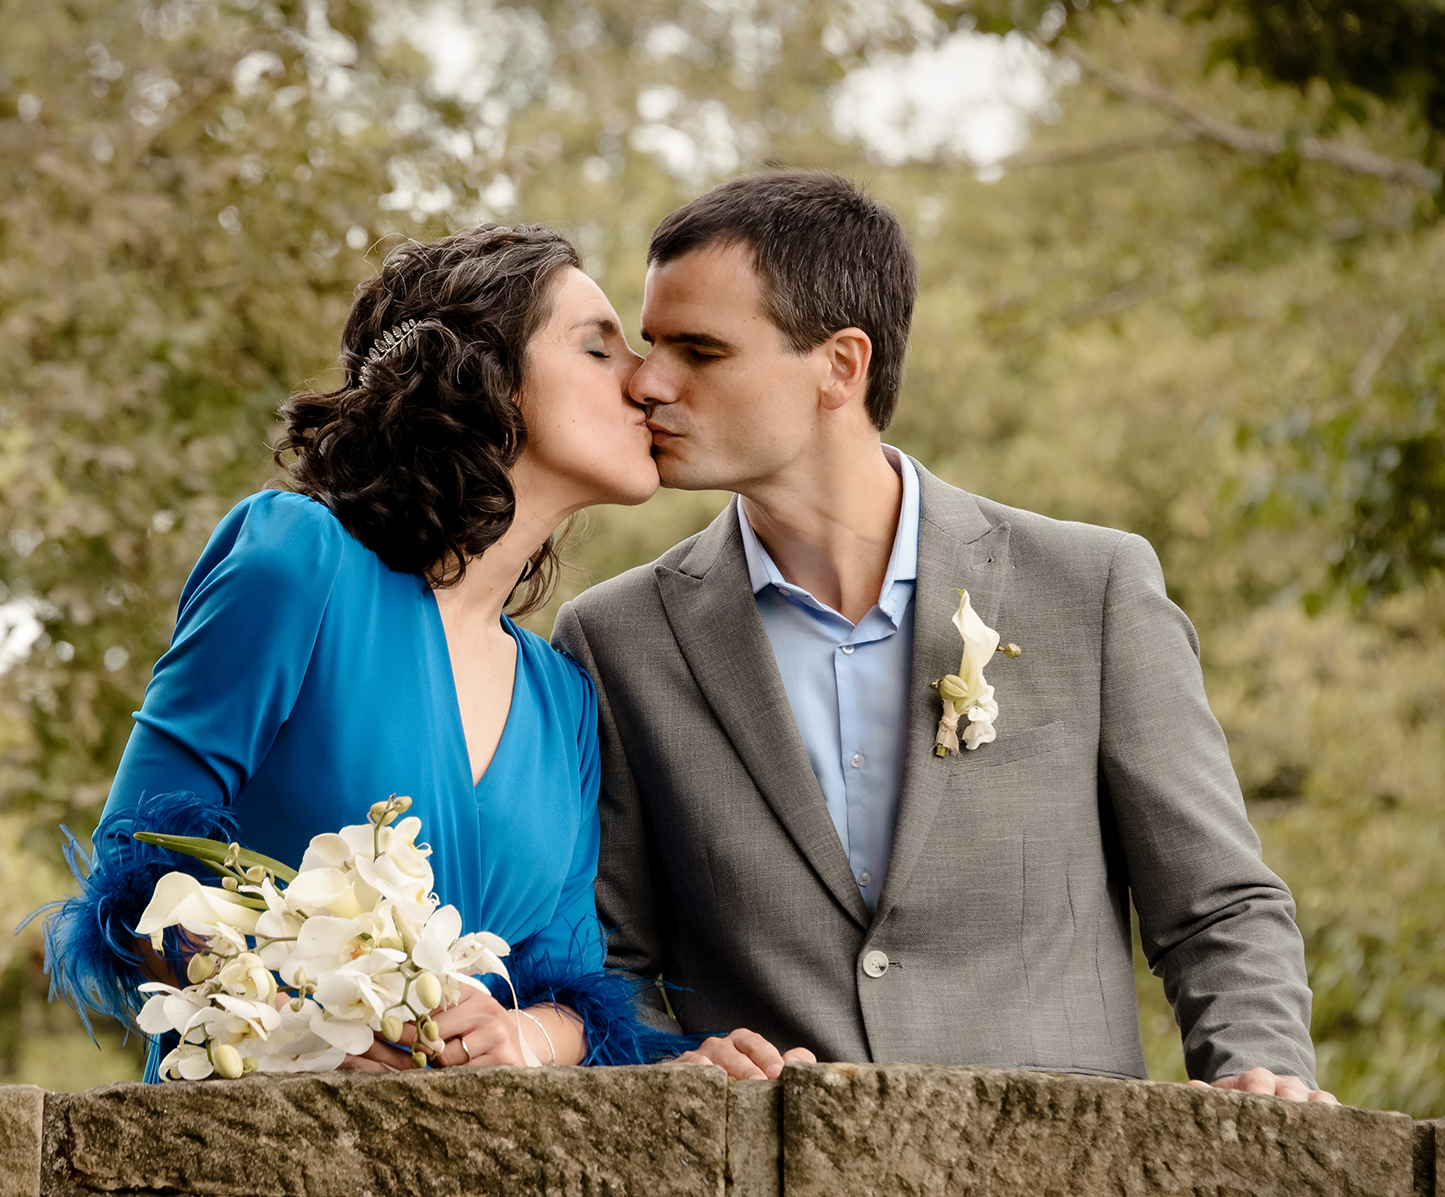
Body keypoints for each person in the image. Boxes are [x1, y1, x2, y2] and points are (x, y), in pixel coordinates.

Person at [551, 170, 1334, 1103]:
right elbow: (613, 960)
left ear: (842, 365)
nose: (647, 381)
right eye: (651, 344)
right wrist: (672, 1063)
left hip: (1071, 1173)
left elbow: (1217, 907)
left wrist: (1262, 1081)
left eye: (700, 350)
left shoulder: (1092, 590)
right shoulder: (617, 639)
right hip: (769, 1182)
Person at [46, 224, 687, 1080]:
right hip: (255, 1141)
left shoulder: (563, 697)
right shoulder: (297, 561)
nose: (645, 380)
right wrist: (308, 1027)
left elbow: (573, 990)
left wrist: (519, 1036)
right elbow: (137, 873)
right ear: (486, 380)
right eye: (599, 349)